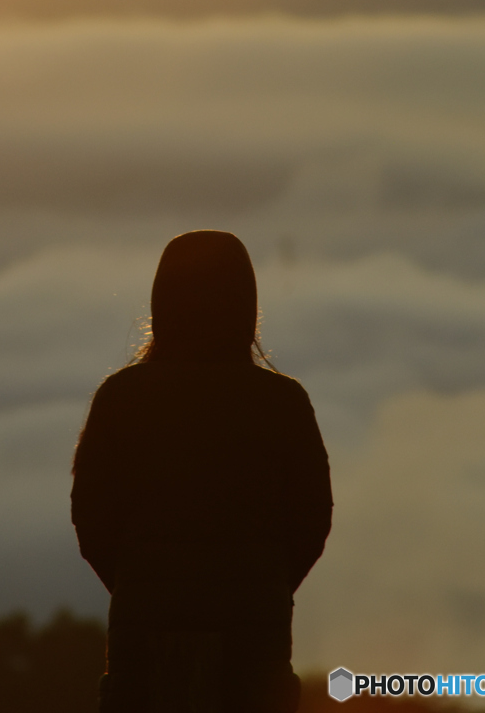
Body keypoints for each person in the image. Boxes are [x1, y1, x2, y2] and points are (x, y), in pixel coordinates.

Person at [71, 230, 332, 713]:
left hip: (143, 641)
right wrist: (263, 588)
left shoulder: (121, 399)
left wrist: (142, 585)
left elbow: (92, 522)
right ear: (247, 302)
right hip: (257, 644)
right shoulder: (283, 404)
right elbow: (312, 522)